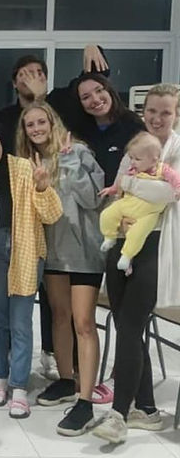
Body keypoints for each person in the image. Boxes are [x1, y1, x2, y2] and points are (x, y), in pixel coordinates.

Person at [92, 84, 180, 444]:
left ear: (176, 115)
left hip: (156, 248)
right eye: (151, 110)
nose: (157, 118)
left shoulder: (177, 150)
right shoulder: (135, 147)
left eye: (165, 112)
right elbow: (118, 192)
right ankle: (146, 409)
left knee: (130, 326)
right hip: (122, 243)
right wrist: (125, 202)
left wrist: (130, 186)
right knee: (128, 326)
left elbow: (167, 194)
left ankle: (118, 415)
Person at [0, 121, 62, 419]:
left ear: (3, 144)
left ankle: (19, 386)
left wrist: (42, 186)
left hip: (25, 250)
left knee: (20, 322)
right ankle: (0, 378)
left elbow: (52, 214)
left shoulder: (24, 169)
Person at [16, 102, 105, 435]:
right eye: (30, 125)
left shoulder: (79, 152)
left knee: (84, 323)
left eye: (42, 122)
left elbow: (93, 198)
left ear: (53, 123)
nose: (37, 129)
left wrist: (68, 161)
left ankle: (85, 400)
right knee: (59, 316)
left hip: (83, 252)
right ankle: (66, 380)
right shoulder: (27, 162)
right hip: (51, 253)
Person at [100, 132, 180, 274]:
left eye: (137, 159)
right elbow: (121, 183)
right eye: (131, 158)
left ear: (154, 160)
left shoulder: (163, 170)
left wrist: (178, 189)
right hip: (129, 203)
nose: (133, 162)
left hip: (148, 213)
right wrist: (111, 189)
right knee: (107, 214)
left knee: (137, 233)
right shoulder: (132, 169)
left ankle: (126, 256)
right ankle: (109, 236)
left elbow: (175, 179)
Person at [74, 72, 144, 186]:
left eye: (99, 90)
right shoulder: (79, 133)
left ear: (109, 90)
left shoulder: (133, 125)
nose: (95, 99)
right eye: (86, 97)